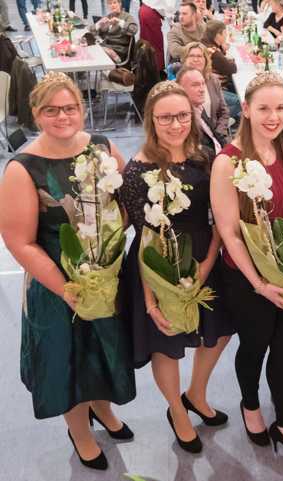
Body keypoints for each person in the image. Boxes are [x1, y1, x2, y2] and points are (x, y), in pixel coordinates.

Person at [0, 72, 136, 471]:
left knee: (105, 351)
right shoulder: (23, 168)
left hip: (104, 274)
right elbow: (19, 242)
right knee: (69, 360)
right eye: (51, 110)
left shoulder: (102, 145)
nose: (63, 116)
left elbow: (127, 200)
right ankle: (79, 431)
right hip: (56, 283)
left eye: (70, 107)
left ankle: (104, 410)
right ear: (37, 115)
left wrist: (111, 244)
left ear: (81, 107)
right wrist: (67, 289)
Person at [210, 72, 283, 461]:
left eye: (279, 108)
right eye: (264, 109)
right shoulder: (228, 162)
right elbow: (229, 231)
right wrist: (259, 283)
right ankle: (251, 404)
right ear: (247, 111)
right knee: (255, 346)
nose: (273, 117)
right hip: (247, 279)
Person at [120, 80, 232, 454]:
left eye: (182, 115)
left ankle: (196, 392)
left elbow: (219, 220)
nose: (175, 124)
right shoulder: (137, 171)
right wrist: (151, 301)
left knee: (219, 334)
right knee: (165, 345)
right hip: (158, 265)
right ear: (152, 120)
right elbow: (141, 237)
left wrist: (207, 264)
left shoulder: (205, 158)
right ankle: (176, 411)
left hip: (204, 256)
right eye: (166, 117)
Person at [180, 42, 231, 140]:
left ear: (206, 60)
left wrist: (219, 133)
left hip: (216, 135)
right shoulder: (179, 84)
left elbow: (224, 111)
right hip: (192, 140)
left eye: (199, 56)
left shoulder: (213, 80)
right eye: (191, 56)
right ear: (184, 60)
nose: (195, 59)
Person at [177, 67, 226, 153]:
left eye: (203, 84)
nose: (202, 89)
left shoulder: (198, 107)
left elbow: (214, 136)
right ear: (181, 89)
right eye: (195, 85)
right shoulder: (181, 123)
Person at [202, 20, 242, 123]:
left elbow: (223, 62)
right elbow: (232, 68)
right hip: (213, 88)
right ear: (218, 35)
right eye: (225, 33)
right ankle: (219, 120)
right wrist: (230, 60)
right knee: (240, 101)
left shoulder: (206, 43)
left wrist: (223, 50)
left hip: (212, 84)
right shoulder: (213, 51)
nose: (226, 36)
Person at [139, 0, 177, 71]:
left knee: (146, 43)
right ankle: (157, 71)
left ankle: (146, 69)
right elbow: (168, 6)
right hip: (152, 13)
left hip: (145, 9)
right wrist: (170, 18)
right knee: (156, 46)